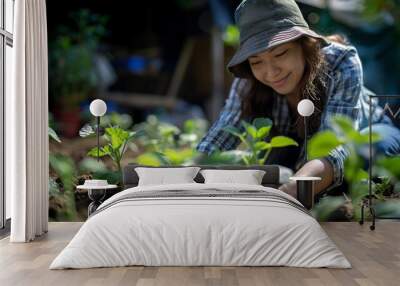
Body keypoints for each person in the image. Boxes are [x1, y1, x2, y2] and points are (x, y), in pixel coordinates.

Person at [196, 0, 400, 198]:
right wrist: (186, 176)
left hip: (363, 136)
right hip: (303, 152)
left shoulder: (341, 63)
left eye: (280, 54)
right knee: (272, 167)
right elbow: (221, 134)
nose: (271, 72)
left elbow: (334, 145)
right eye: (256, 61)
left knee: (370, 151)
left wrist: (289, 193)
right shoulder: (248, 80)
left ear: (305, 45)